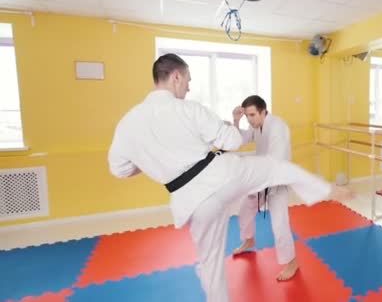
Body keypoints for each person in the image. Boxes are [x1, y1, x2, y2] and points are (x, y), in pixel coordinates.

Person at [107, 53, 352, 302]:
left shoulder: (128, 122)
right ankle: (322, 190)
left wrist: (151, 158)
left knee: (210, 265)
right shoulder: (189, 109)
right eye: (188, 80)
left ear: (264, 112)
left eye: (252, 116)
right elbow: (235, 140)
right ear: (177, 76)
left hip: (189, 200)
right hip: (221, 176)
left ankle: (319, 200)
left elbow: (119, 169)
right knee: (273, 170)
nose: (189, 86)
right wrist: (230, 125)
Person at [231, 95, 298, 281]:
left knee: (279, 223)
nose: (250, 119)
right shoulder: (257, 126)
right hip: (261, 178)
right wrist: (236, 121)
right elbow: (240, 140)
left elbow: (277, 159)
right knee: (245, 209)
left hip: (277, 180)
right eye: (247, 116)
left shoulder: (278, 127)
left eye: (252, 115)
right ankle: (249, 239)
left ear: (263, 111)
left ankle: (291, 262)